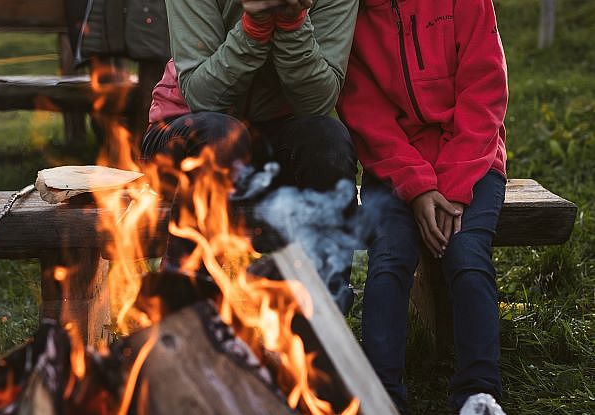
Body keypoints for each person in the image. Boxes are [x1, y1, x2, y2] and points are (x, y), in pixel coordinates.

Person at [337, 0, 509, 413]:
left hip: (472, 162)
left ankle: (478, 392)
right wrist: (416, 187)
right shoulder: (352, 13)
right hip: (393, 166)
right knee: (388, 261)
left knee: (467, 255)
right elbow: (365, 113)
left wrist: (450, 187)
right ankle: (380, 395)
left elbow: (484, 90)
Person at [141, 0, 359, 312]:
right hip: (187, 130)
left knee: (328, 139)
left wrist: (292, 22)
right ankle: (183, 313)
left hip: (273, 139)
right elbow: (202, 96)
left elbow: (317, 102)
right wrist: (253, 28)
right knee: (221, 136)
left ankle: (320, 320)